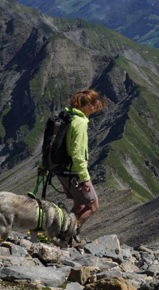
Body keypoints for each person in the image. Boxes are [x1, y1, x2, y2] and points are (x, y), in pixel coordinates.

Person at [39, 89, 108, 232]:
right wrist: (85, 178)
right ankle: (64, 235)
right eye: (95, 105)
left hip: (60, 170)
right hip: (73, 173)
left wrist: (43, 166)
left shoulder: (66, 117)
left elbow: (50, 143)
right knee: (93, 206)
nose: (97, 108)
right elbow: (77, 154)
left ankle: (63, 234)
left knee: (79, 205)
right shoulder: (80, 123)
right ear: (88, 105)